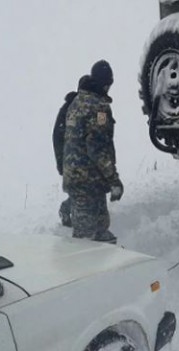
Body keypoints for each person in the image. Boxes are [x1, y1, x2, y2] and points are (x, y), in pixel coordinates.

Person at [63, 60, 123, 243]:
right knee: (85, 240)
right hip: (88, 180)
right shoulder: (99, 109)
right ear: (106, 84)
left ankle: (67, 209)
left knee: (100, 230)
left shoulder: (77, 101)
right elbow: (98, 147)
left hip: (77, 177)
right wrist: (114, 179)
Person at [53, 90, 78, 227]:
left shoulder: (71, 108)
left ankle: (67, 209)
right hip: (70, 160)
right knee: (79, 191)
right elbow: (58, 136)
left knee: (79, 190)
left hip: (71, 159)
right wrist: (61, 162)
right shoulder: (70, 110)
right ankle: (66, 209)